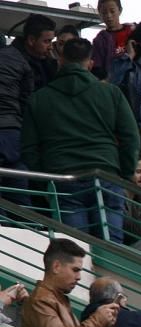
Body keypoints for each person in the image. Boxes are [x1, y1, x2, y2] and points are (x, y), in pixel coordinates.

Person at [22, 38, 139, 244]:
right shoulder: (111, 93)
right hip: (106, 176)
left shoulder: (39, 98)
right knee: (111, 250)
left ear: (61, 60)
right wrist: (125, 173)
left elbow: (29, 149)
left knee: (74, 251)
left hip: (63, 179)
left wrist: (47, 178)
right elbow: (131, 137)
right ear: (90, 62)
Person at [0, 13, 55, 201]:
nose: (50, 47)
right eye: (47, 41)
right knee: (19, 184)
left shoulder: (8, 56)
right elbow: (27, 103)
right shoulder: (23, 64)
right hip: (11, 132)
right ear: (31, 40)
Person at [90, 0, 134, 76]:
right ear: (99, 14)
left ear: (120, 10)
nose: (109, 15)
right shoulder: (100, 40)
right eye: (104, 13)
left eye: (112, 11)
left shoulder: (132, 31)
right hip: (113, 83)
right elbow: (97, 69)